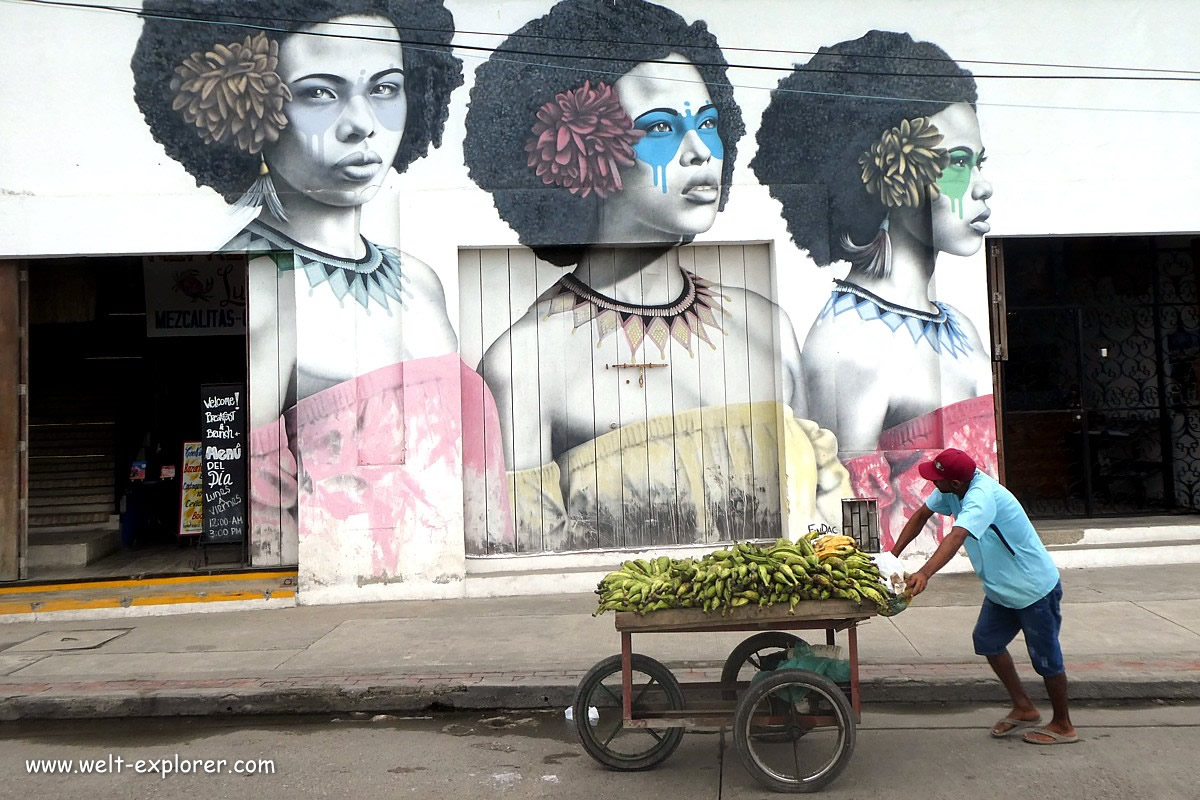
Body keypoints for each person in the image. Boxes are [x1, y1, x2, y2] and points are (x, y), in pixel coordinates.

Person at [133, 0, 513, 567]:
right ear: (251, 105)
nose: (361, 123)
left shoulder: (420, 280)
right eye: (319, 92)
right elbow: (255, 498)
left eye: (385, 87)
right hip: (335, 579)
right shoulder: (253, 283)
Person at [463, 0, 850, 553]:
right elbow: (520, 554)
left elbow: (821, 504)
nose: (700, 153)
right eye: (663, 127)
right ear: (586, 152)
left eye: (709, 124)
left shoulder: (766, 325)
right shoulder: (523, 363)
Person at [751, 30, 996, 550]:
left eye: (979, 162)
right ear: (893, 176)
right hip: (915, 579)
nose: (981, 185)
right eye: (956, 163)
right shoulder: (847, 343)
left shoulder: (960, 325)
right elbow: (847, 502)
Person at [892, 448, 1078, 745]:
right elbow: (921, 515)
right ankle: (1024, 707)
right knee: (987, 641)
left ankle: (1063, 723)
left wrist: (925, 572)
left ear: (954, 483)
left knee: (1045, 659)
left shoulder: (981, 497)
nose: (932, 482)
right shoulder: (953, 490)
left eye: (937, 478)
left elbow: (956, 536)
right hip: (1001, 589)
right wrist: (892, 557)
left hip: (1033, 590)